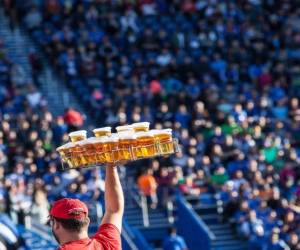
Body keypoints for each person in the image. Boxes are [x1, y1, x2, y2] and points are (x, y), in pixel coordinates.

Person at [48, 164, 124, 249]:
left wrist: (111, 167)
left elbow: (114, 210)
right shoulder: (107, 243)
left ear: (56, 224)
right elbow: (114, 210)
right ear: (87, 222)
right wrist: (111, 166)